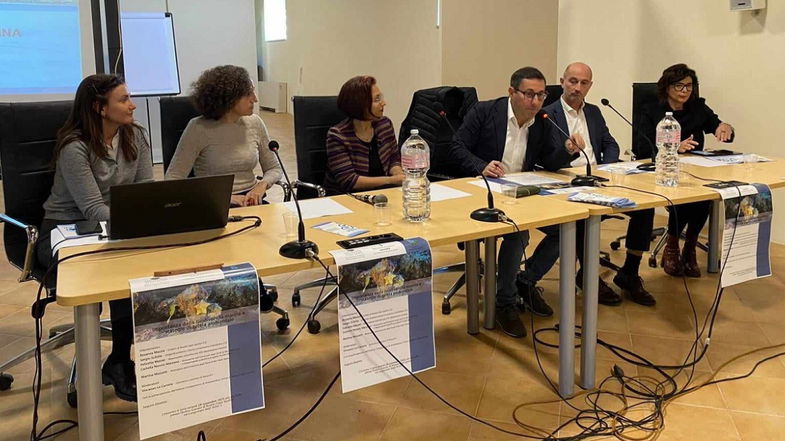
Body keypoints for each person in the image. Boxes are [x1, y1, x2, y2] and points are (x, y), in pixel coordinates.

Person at [37, 74, 153, 402]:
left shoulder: (136, 137)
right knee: (118, 267)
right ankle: (117, 362)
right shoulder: (75, 148)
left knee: (145, 264)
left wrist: (152, 215)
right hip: (65, 231)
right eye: (123, 99)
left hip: (115, 227)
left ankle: (119, 358)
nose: (132, 105)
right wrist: (137, 219)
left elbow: (144, 191)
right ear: (100, 108)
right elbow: (92, 209)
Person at [449, 66, 578, 338]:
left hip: (522, 192)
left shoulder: (542, 120)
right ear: (511, 92)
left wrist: (567, 151)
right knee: (518, 234)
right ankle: (504, 302)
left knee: (566, 228)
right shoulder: (486, 111)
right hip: (483, 190)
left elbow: (551, 161)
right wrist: (481, 165)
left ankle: (525, 281)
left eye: (541, 95)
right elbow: (456, 146)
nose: (535, 102)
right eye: (529, 94)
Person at [543, 62, 656, 306]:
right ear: (562, 81)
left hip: (599, 179)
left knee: (645, 204)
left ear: (590, 86)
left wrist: (609, 167)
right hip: (567, 182)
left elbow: (610, 143)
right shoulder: (547, 114)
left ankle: (630, 272)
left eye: (584, 83)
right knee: (585, 216)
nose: (577, 87)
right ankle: (588, 274)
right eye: (573, 81)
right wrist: (569, 151)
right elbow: (546, 161)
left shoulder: (593, 111)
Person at [639, 64, 735, 277]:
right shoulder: (652, 109)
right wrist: (674, 147)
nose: (684, 91)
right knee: (684, 197)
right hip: (665, 169)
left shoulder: (698, 107)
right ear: (667, 87)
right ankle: (672, 245)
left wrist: (724, 127)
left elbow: (718, 125)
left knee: (704, 195)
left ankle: (689, 247)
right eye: (679, 86)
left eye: (689, 86)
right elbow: (642, 145)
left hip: (696, 168)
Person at [165, 65, 282, 206]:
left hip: (251, 201)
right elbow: (173, 178)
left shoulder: (255, 123)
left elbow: (274, 168)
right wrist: (227, 198)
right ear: (229, 97)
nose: (255, 99)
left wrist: (261, 185)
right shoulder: (198, 128)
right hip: (212, 202)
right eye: (248, 94)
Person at [324, 75, 404, 195]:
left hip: (382, 194)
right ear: (360, 105)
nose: (384, 103)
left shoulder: (384, 125)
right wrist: (391, 180)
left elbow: (393, 157)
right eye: (377, 100)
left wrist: (398, 173)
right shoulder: (338, 136)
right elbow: (349, 181)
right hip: (346, 198)